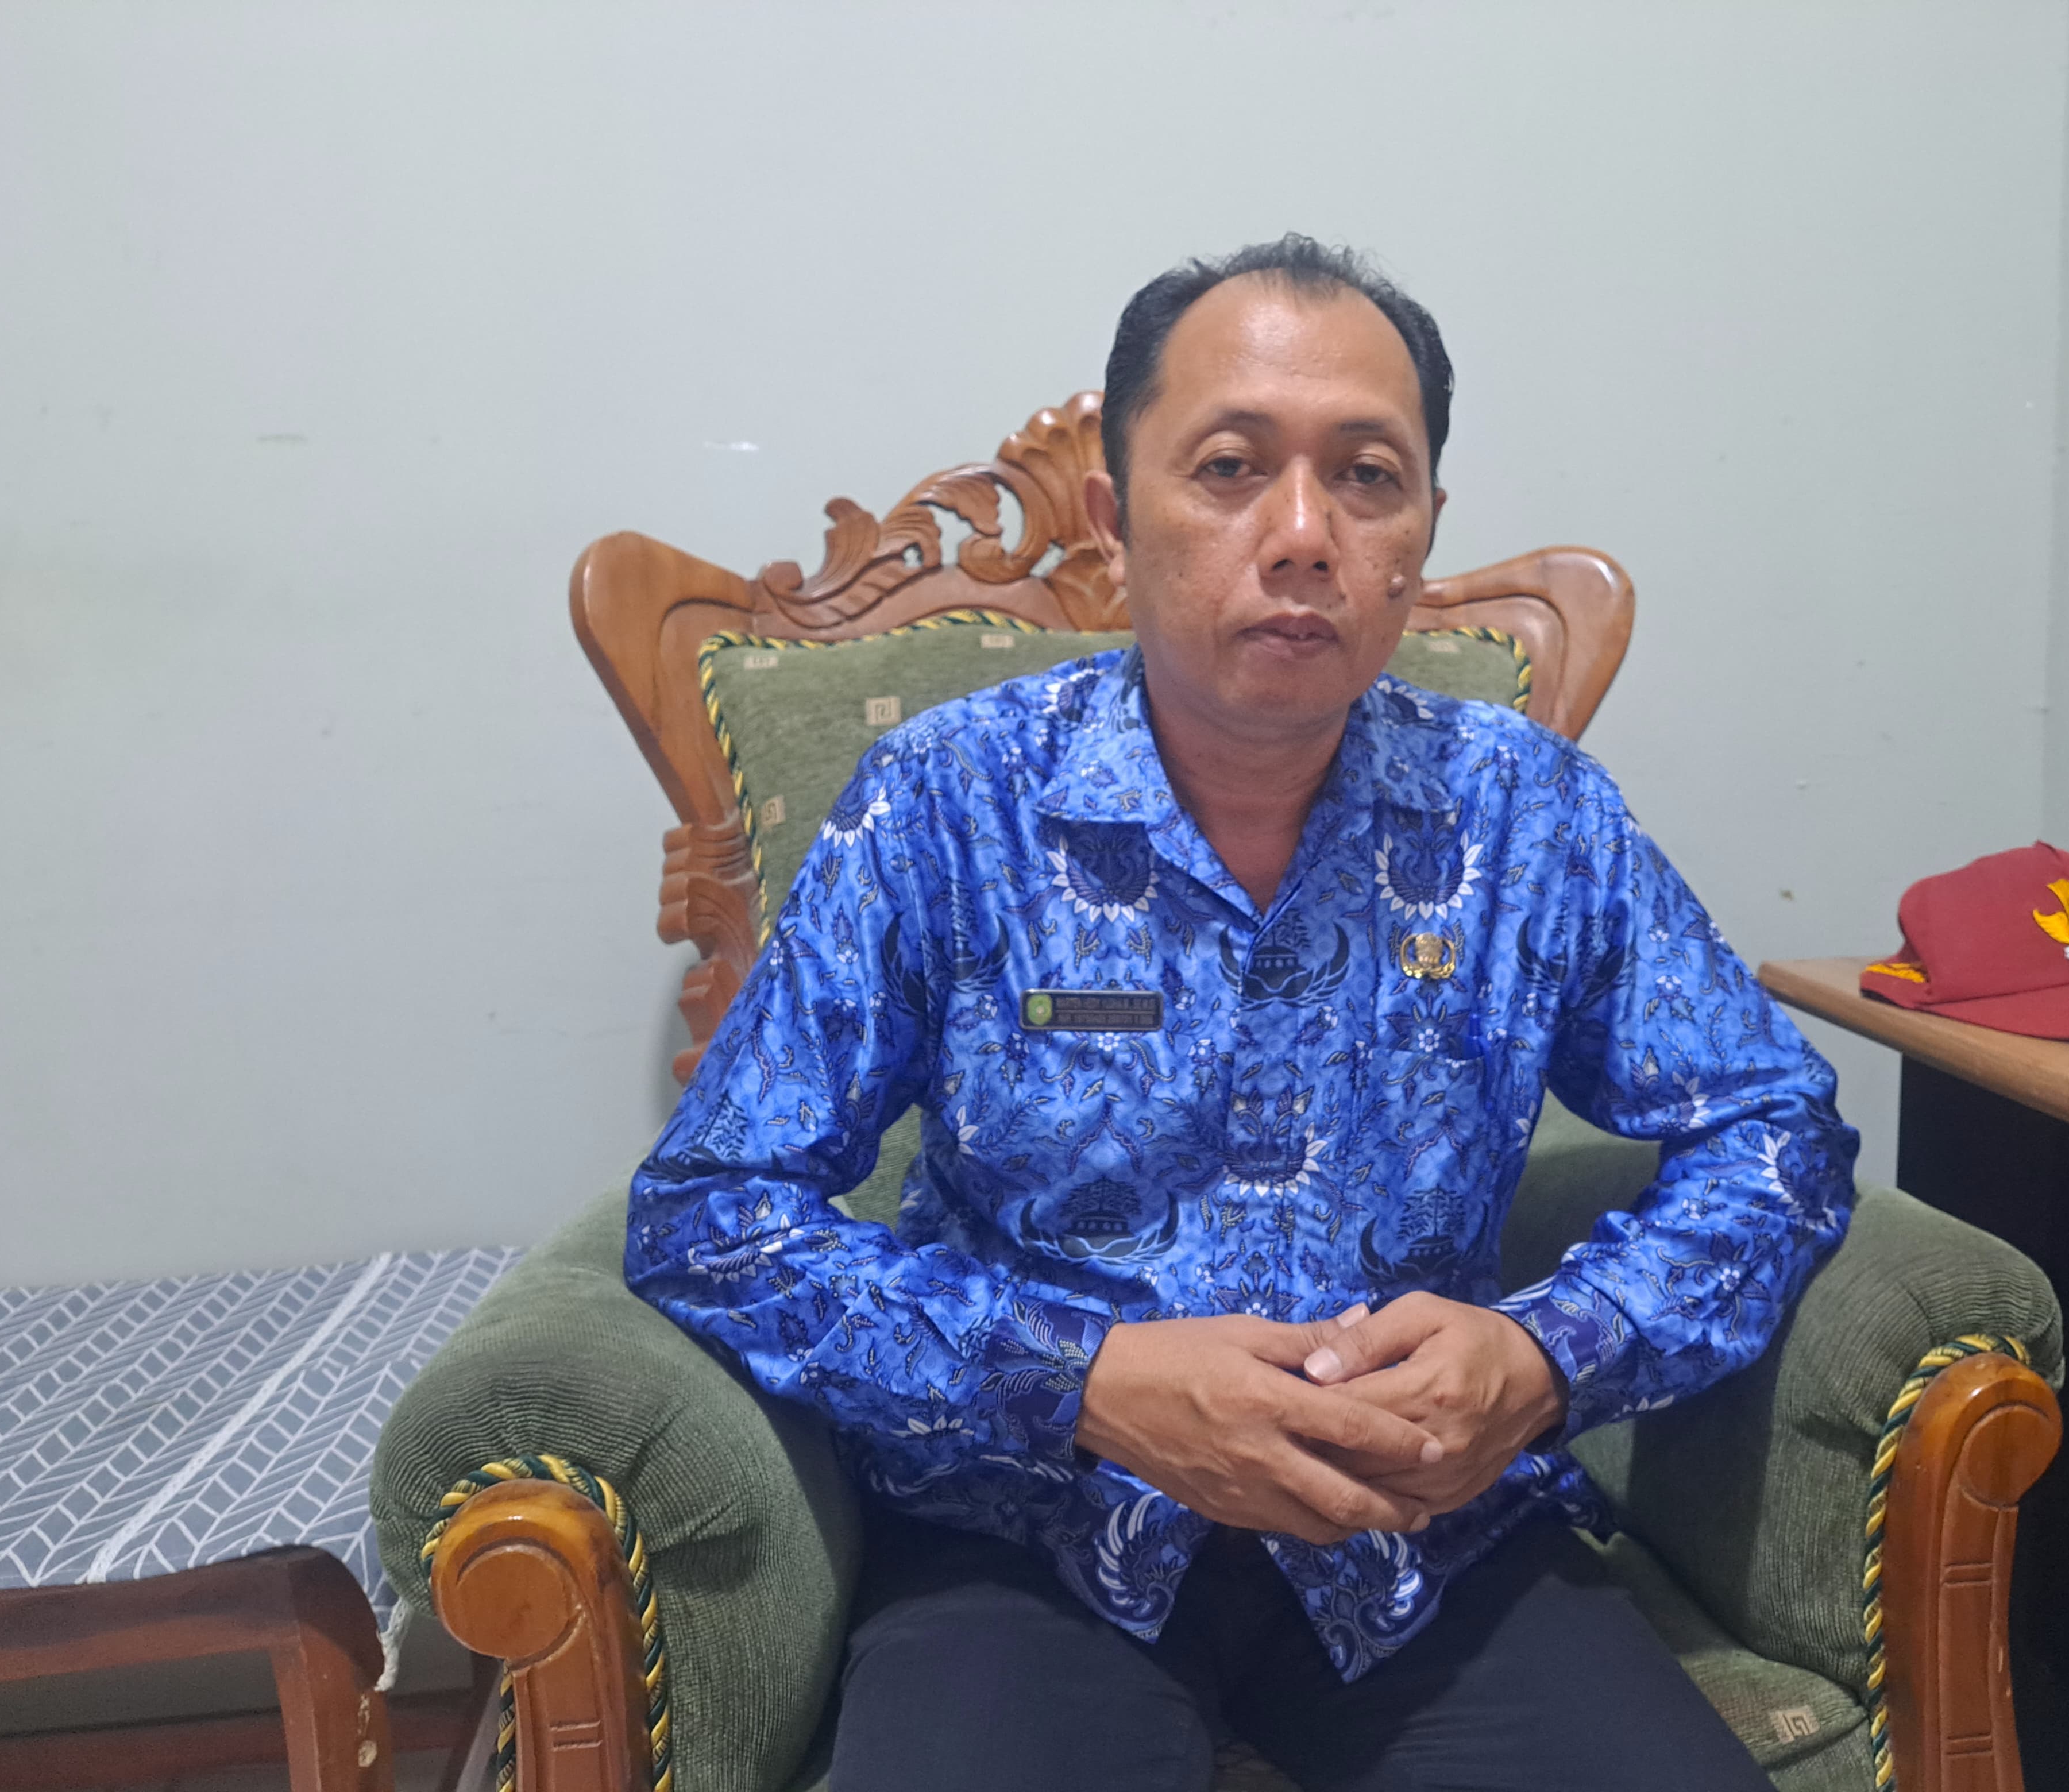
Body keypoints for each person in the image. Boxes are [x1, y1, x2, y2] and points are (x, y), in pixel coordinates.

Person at [627, 235, 1859, 1791]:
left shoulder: (1528, 814)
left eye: (1367, 477)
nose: (1301, 536)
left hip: (1424, 1543)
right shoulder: (947, 801)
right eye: (1228, 468)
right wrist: (1075, 1380)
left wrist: (1551, 1355)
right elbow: (711, 1211)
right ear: (1116, 518)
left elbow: (1777, 1133)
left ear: (1424, 529)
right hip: (1026, 1534)